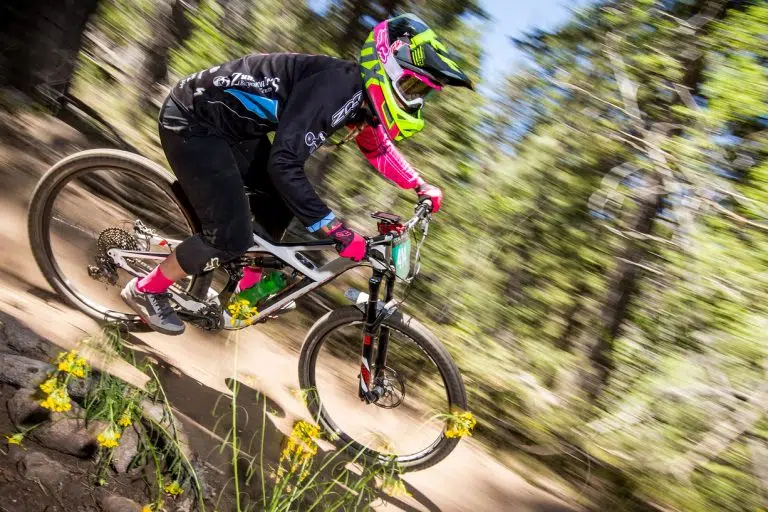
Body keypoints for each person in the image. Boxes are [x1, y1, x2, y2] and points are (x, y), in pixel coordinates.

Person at [121, 13, 474, 335]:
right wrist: (335, 230)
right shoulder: (336, 90)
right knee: (229, 236)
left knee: (278, 204)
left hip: (230, 127)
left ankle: (244, 292)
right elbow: (284, 164)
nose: (417, 100)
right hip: (194, 120)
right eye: (414, 87)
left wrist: (419, 184)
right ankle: (146, 289)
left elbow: (376, 147)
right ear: (388, 63)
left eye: (422, 93)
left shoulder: (357, 93)